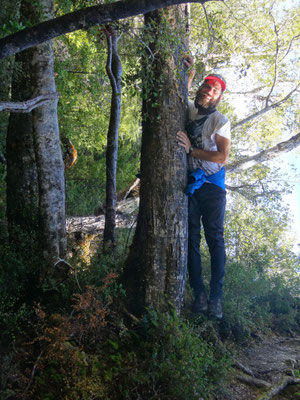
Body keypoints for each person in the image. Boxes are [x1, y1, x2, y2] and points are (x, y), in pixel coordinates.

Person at [176, 56, 231, 319]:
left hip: (212, 187)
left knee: (215, 240)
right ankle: (199, 294)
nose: (209, 92)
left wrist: (192, 150)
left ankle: (216, 299)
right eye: (207, 86)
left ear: (220, 97)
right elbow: (177, 96)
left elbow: (222, 157)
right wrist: (187, 72)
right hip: (192, 187)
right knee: (191, 239)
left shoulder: (220, 120)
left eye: (215, 90)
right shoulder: (188, 110)